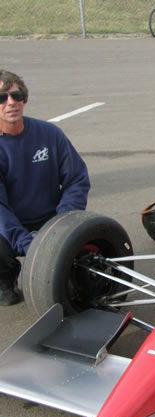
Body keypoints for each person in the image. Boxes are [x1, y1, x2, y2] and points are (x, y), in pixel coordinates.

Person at [0, 69, 90, 305]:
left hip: (52, 219)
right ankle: (5, 279)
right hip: (9, 226)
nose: (11, 103)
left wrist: (63, 224)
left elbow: (76, 179)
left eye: (16, 95)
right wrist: (29, 245)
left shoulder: (49, 134)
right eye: (2, 98)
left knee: (82, 275)